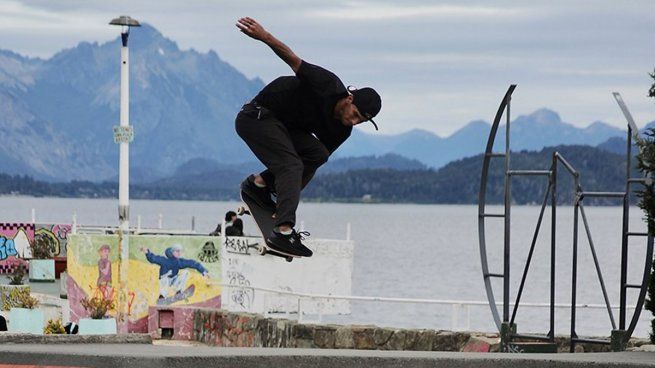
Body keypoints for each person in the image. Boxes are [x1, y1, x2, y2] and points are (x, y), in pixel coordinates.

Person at [234, 17, 382, 257]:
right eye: (354, 115)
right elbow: (292, 59)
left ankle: (259, 185)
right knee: (290, 163)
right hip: (257, 116)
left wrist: (284, 201)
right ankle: (283, 232)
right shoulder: (327, 84)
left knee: (317, 154)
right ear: (349, 99)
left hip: (284, 128)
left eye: (360, 121)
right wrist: (264, 36)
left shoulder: (342, 130)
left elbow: (308, 166)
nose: (353, 122)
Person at [141, 244, 209, 303]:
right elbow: (153, 259)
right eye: (177, 251)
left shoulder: (179, 262)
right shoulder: (163, 260)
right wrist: (147, 252)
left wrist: (203, 271)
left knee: (186, 272)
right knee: (164, 277)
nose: (179, 253)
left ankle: (179, 292)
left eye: (180, 251)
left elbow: (192, 263)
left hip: (174, 280)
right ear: (172, 252)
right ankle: (162, 296)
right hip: (164, 280)